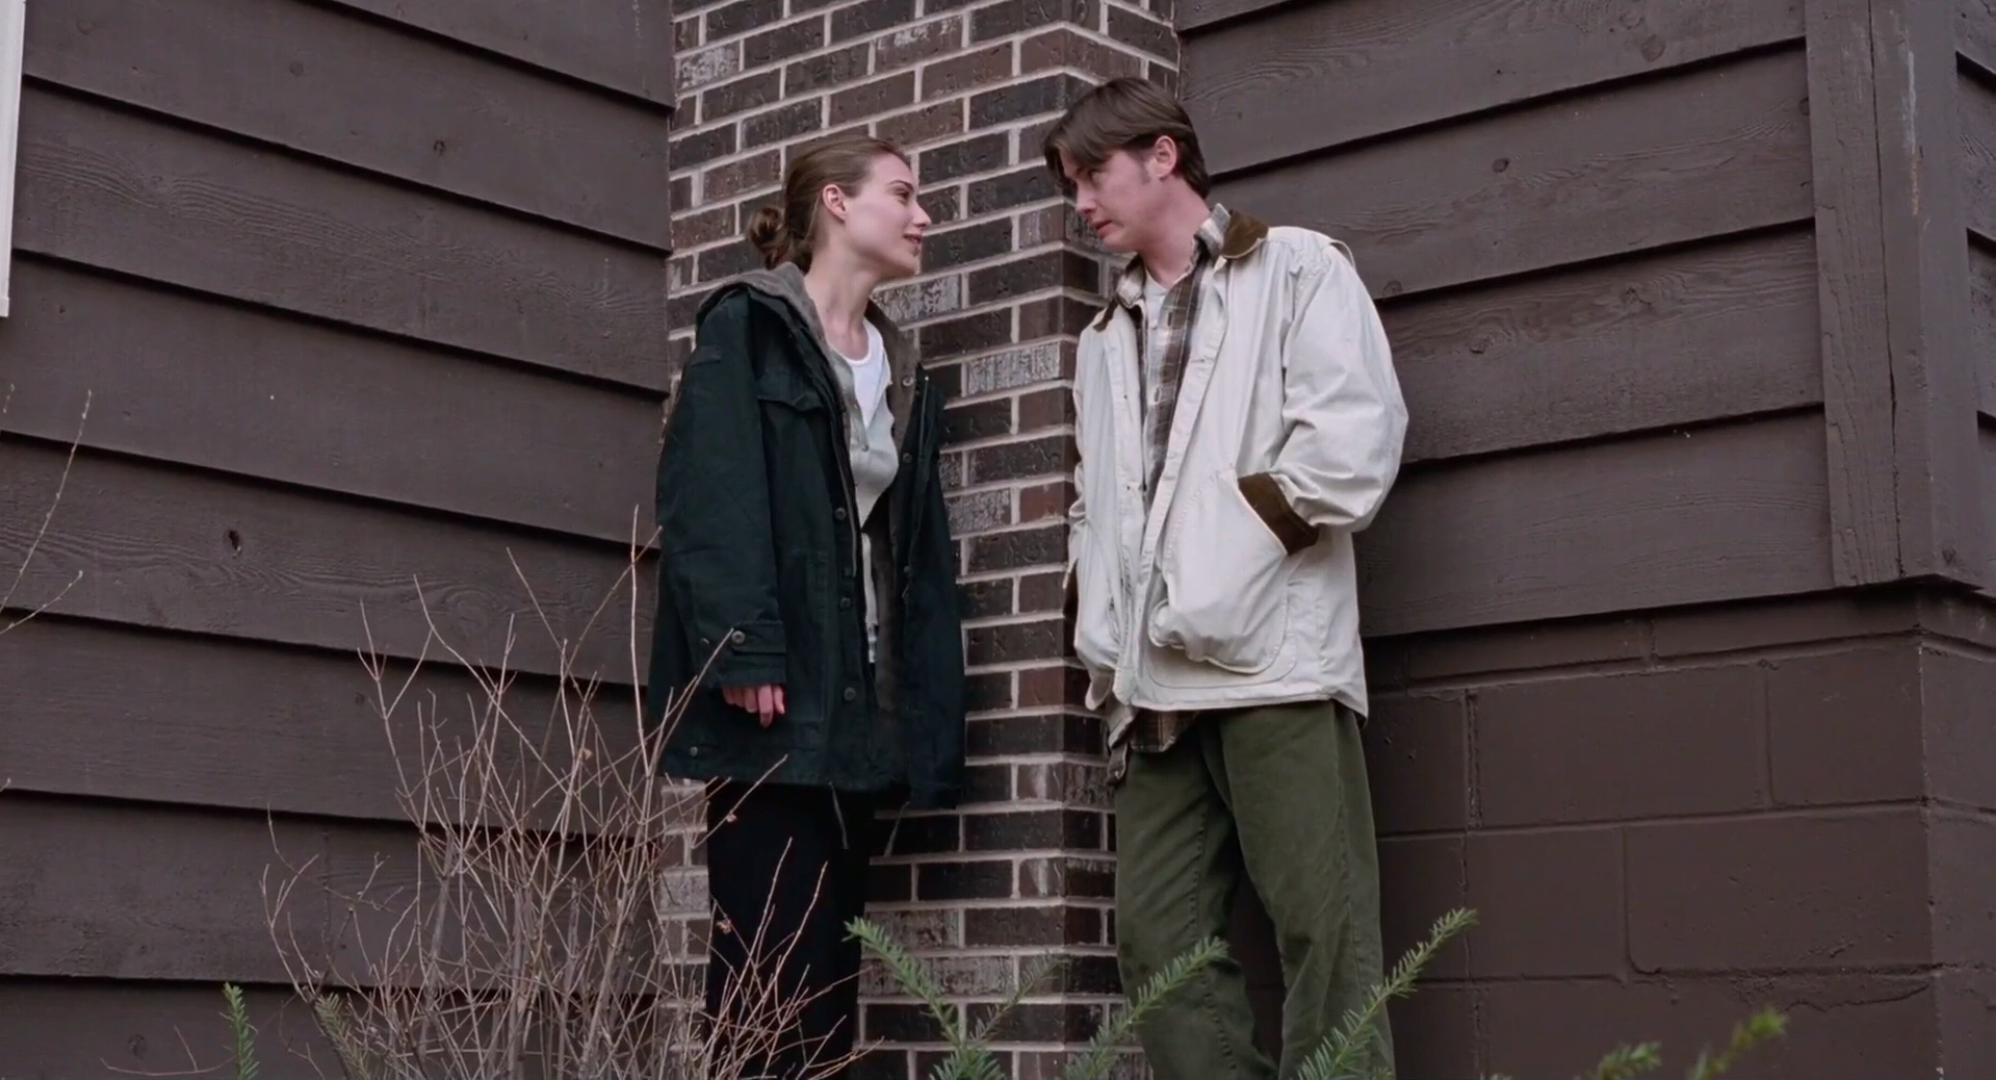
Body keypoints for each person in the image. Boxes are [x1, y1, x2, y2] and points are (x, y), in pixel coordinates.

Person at [1045, 78, 1408, 1079]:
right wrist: (1096, 617)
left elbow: (1349, 449)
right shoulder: (1100, 337)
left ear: (1162, 155)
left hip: (1275, 669)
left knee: (1325, 938)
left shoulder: (1295, 269)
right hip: (1147, 691)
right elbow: (1092, 503)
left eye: (1092, 175)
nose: (1081, 202)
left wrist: (1213, 573)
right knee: (1157, 952)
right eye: (1071, 185)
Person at [647, 134, 964, 1079]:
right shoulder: (748, 325)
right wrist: (743, 651)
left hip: (854, 704)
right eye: (902, 194)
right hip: (772, 703)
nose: (922, 216)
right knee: (764, 977)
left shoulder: (896, 361)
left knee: (825, 985)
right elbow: (709, 495)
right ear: (835, 202)